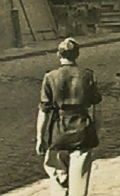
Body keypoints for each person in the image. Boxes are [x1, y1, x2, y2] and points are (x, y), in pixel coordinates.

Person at [36, 38, 102, 196]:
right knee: (79, 183)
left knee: (58, 177)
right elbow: (97, 109)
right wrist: (96, 131)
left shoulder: (50, 77)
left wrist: (40, 137)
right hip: (82, 130)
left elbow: (44, 111)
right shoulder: (87, 76)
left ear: (59, 55)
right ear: (77, 55)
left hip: (59, 132)